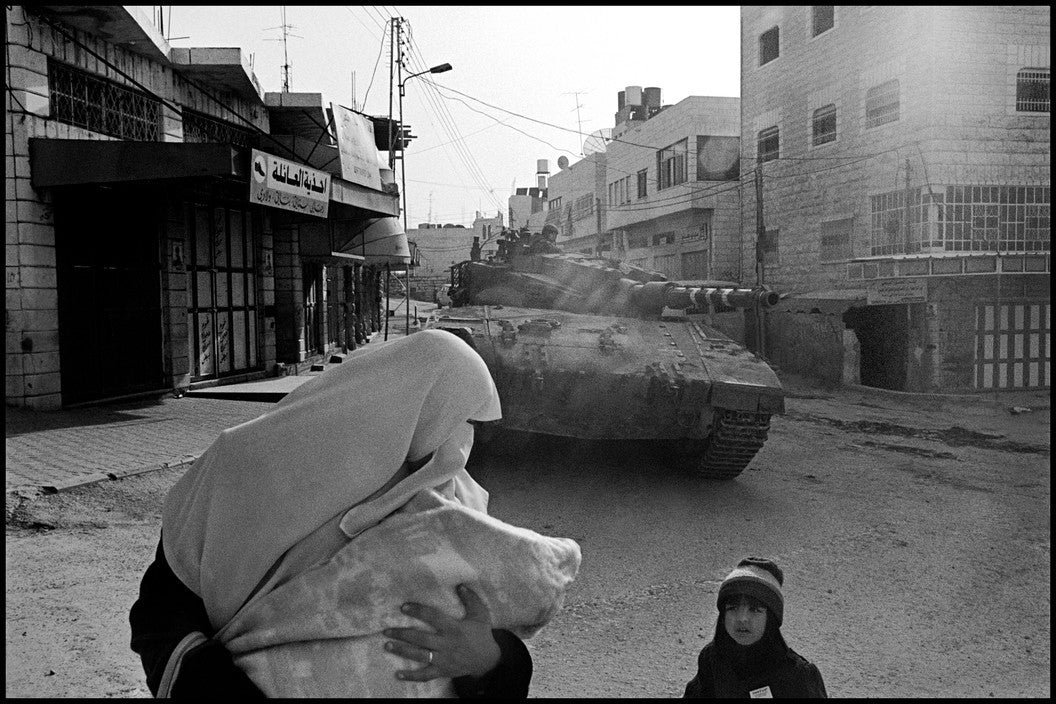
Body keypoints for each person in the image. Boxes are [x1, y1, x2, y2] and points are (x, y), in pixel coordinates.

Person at [130, 329, 581, 697]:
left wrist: (490, 660)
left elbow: (483, 631)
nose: (463, 441)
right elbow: (160, 617)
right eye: (459, 419)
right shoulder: (246, 464)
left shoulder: (450, 493)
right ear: (409, 404)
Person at [683, 557, 827, 699]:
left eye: (755, 609)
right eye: (732, 608)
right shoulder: (712, 659)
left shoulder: (799, 676)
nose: (742, 618)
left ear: (771, 618)